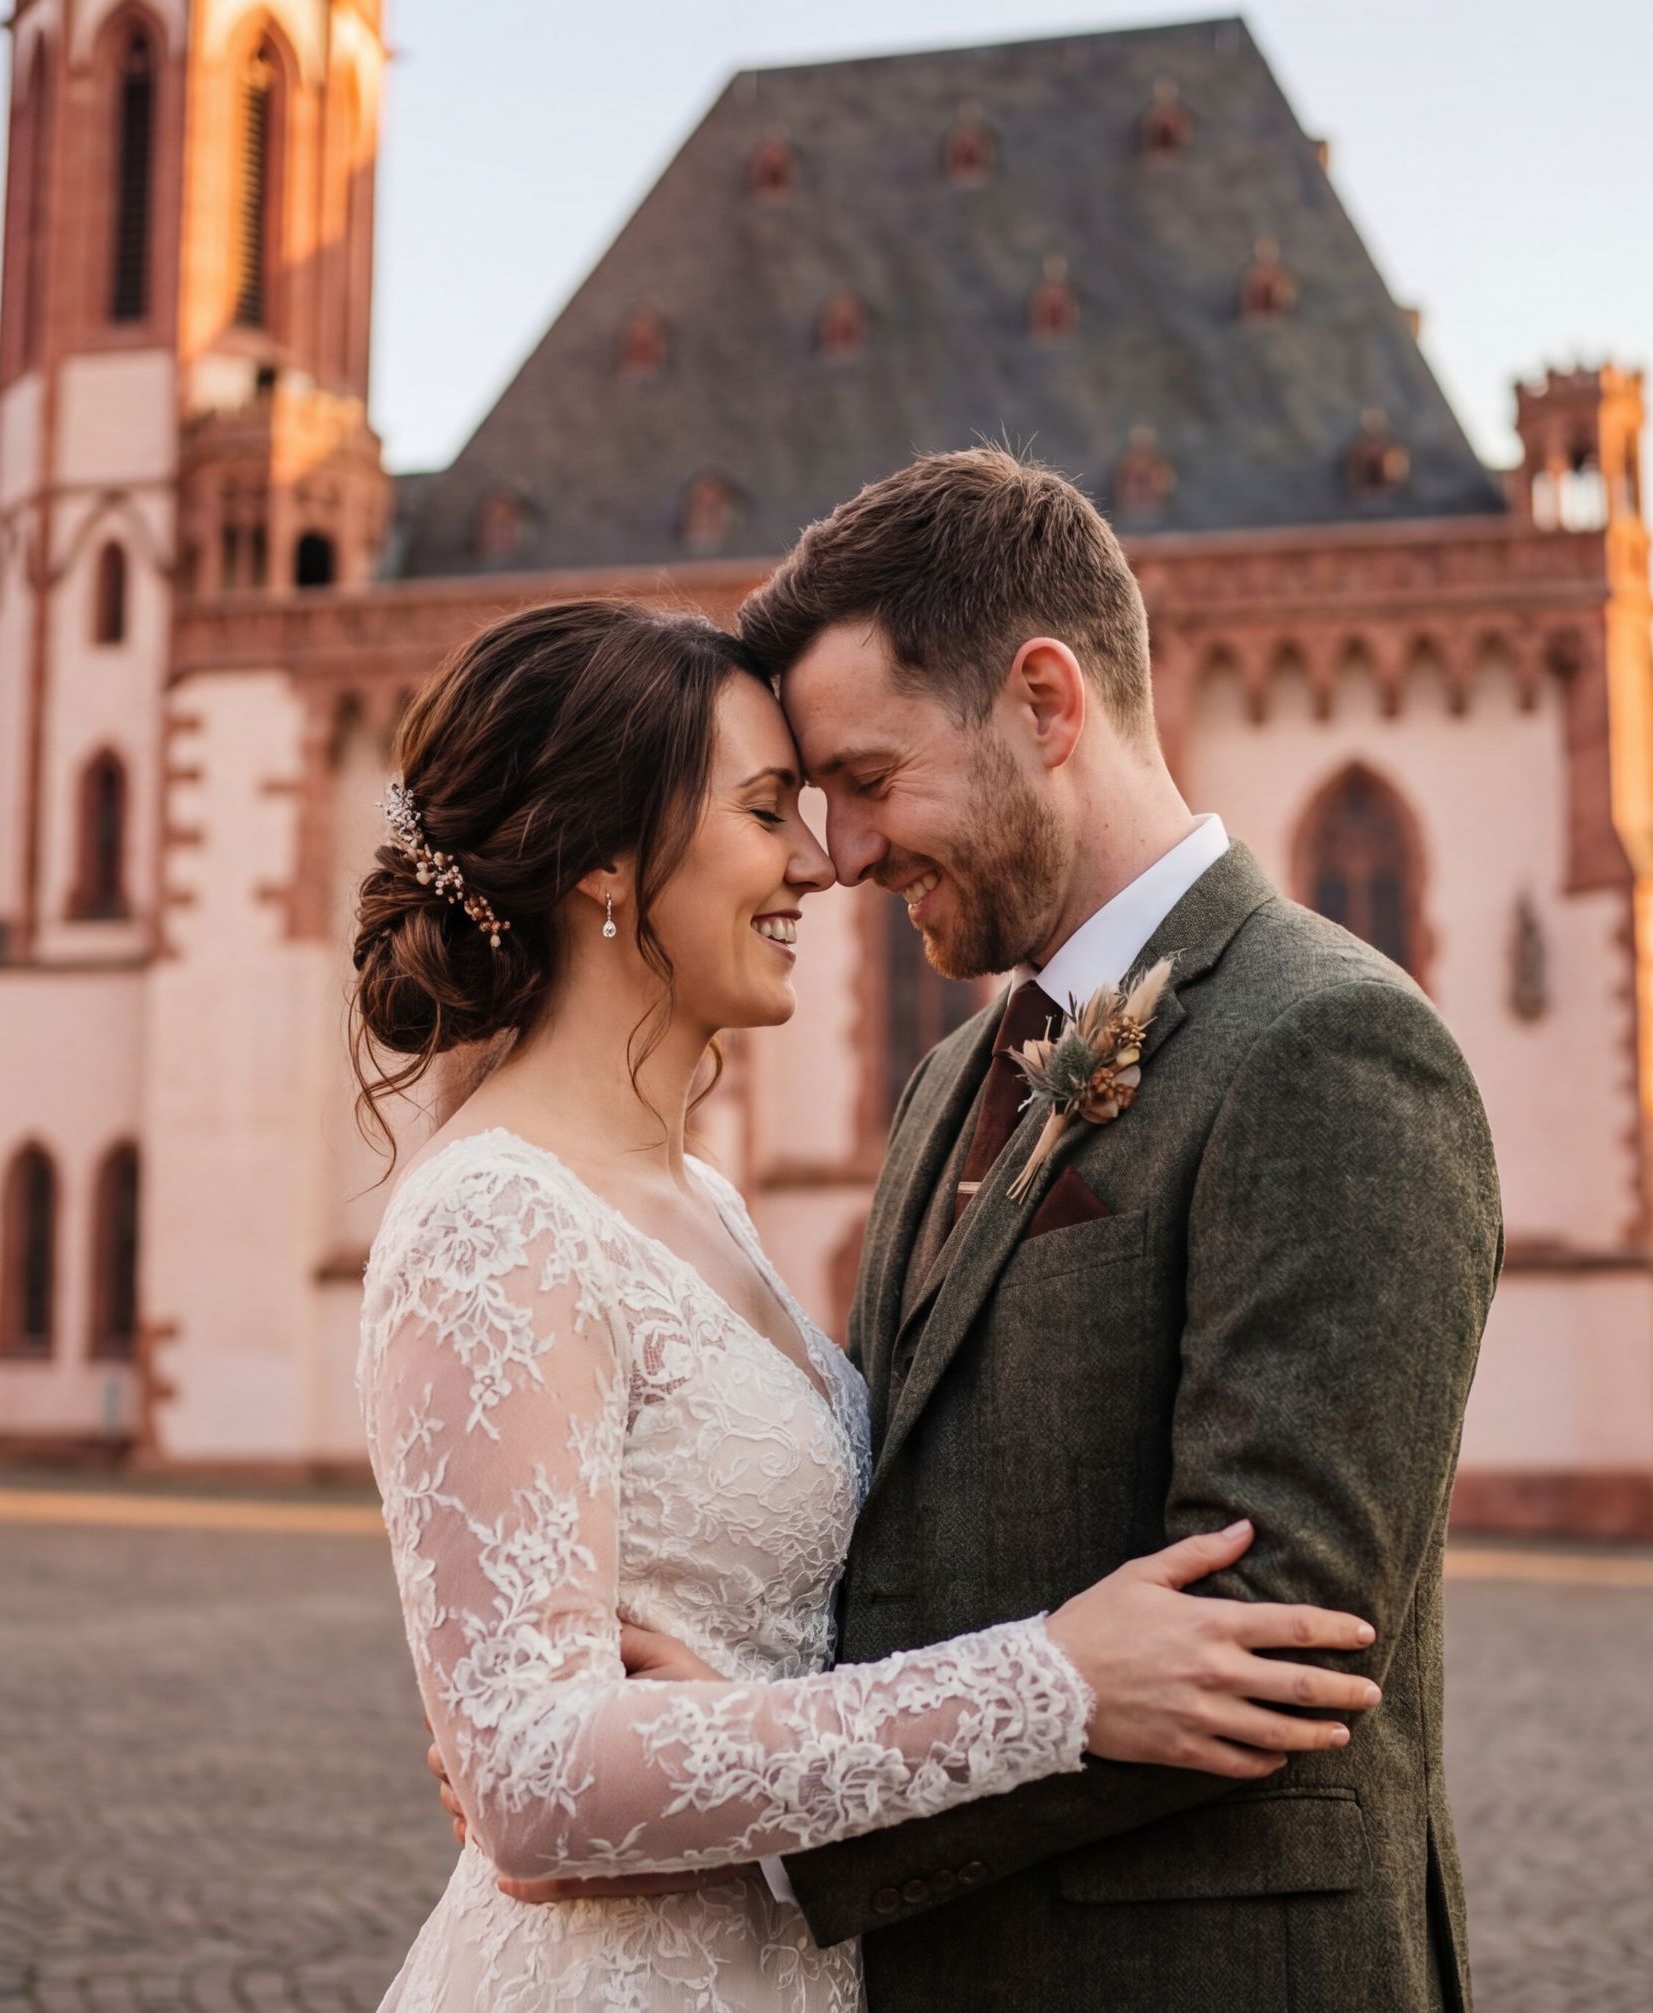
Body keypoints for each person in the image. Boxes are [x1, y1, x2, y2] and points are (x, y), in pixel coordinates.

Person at [351, 597, 1389, 2013]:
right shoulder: (489, 1215)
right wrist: (1052, 1687)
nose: (818, 860)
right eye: (769, 807)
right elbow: (533, 1784)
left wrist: (707, 1728)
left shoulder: (701, 1201)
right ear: (604, 858)